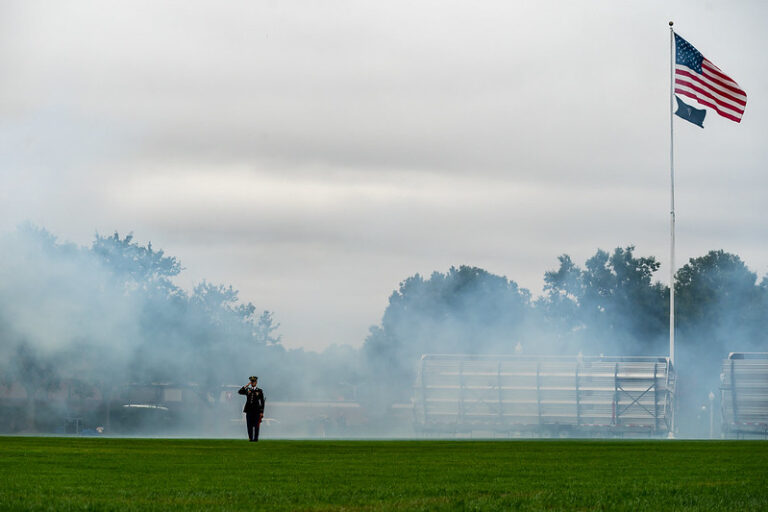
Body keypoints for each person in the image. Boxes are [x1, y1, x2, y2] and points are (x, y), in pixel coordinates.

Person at [238, 376, 265, 442]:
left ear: (256, 382)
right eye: (252, 382)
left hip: (256, 411)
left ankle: (255, 439)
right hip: (249, 410)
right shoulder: (248, 390)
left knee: (256, 426)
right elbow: (240, 392)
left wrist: (261, 412)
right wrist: (246, 385)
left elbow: (262, 402)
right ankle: (250, 438)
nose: (253, 383)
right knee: (249, 425)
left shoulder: (259, 391)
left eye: (254, 382)